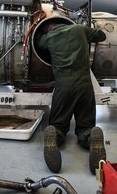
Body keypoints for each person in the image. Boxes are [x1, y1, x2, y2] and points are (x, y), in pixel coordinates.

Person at [38, 22, 106, 174]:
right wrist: (87, 30)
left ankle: (54, 135)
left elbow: (37, 43)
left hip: (63, 86)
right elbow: (102, 36)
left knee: (58, 124)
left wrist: (43, 34)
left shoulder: (48, 38)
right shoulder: (79, 29)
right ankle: (90, 136)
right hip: (84, 84)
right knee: (85, 125)